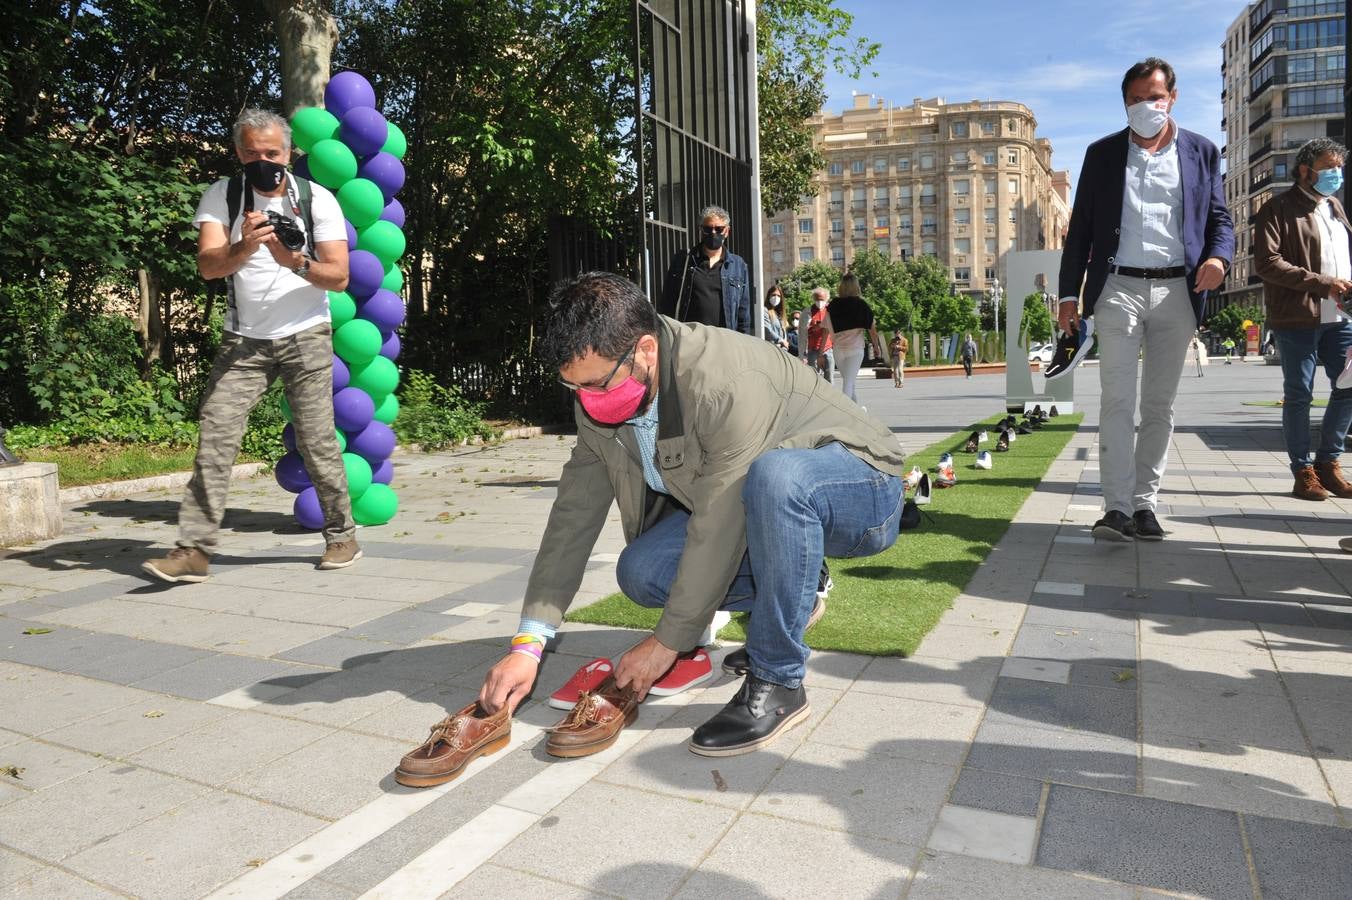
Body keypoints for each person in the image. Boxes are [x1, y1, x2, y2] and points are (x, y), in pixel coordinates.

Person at [474, 272, 906, 758]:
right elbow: (573, 515)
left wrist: (665, 645)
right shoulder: (599, 392)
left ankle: (779, 680)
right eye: (574, 387)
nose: (587, 401)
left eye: (595, 384)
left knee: (777, 478)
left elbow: (719, 523)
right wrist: (528, 644)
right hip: (763, 502)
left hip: (863, 485)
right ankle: (794, 595)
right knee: (642, 571)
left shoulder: (725, 382)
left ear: (645, 350)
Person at [143, 109, 359, 583]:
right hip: (245, 341)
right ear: (239, 154)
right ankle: (193, 550)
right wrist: (244, 247)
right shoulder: (223, 196)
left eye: (273, 153)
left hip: (306, 334)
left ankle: (341, 534)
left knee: (316, 439)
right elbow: (208, 266)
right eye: (253, 153)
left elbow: (339, 277)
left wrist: (291, 260)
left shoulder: (317, 199)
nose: (264, 161)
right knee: (216, 435)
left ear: (289, 153)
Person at [1058, 57, 1233, 542]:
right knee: (1116, 400)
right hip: (1118, 289)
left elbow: (1220, 219)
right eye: (1134, 99)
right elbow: (1079, 235)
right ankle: (1115, 509)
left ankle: (1145, 504)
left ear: (1171, 97)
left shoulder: (1202, 151)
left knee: (1159, 405)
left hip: (1179, 289)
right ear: (1124, 103)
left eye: (1153, 97)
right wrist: (1068, 295)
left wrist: (1219, 259)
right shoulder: (1102, 154)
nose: (1145, 106)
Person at [1253, 138, 1352, 502]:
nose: (1336, 174)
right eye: (1328, 167)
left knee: (1348, 386)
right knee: (1300, 395)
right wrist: (1323, 283)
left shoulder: (1335, 207)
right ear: (1304, 170)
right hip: (1297, 314)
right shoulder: (1277, 209)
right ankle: (1302, 470)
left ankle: (1329, 462)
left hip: (1339, 311)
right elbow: (1267, 263)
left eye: (1339, 167)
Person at [658, 205, 752, 334]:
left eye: (719, 229)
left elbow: (743, 313)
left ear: (727, 231)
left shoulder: (738, 265)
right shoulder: (684, 260)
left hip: (725, 341)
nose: (713, 233)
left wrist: (743, 344)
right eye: (708, 229)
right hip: (690, 340)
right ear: (701, 230)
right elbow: (667, 302)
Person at [820, 274, 883, 405]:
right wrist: (876, 347)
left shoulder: (832, 306)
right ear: (856, 287)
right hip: (855, 350)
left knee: (849, 383)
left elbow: (825, 330)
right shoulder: (861, 305)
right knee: (848, 383)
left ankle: (858, 413)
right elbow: (872, 329)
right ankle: (845, 414)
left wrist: (821, 352)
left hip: (838, 350)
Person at [803, 288, 834, 384]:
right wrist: (813, 328)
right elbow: (804, 332)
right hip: (812, 350)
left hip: (827, 349)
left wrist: (821, 325)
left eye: (822, 299)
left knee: (829, 379)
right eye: (817, 299)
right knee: (814, 380)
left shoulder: (830, 311)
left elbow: (831, 328)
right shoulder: (808, 312)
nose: (819, 302)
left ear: (827, 299)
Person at [763, 285, 790, 351]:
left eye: (778, 296)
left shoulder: (780, 314)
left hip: (782, 349)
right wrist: (780, 340)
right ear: (769, 296)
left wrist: (785, 343)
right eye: (773, 295)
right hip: (771, 348)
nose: (776, 297)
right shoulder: (765, 310)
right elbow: (767, 329)